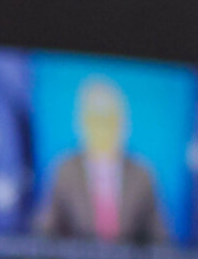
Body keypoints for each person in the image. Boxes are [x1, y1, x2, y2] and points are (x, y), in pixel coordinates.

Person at [31, 76, 172, 246]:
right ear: (82, 124)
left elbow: (162, 243)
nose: (103, 130)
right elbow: (42, 235)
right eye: (96, 121)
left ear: (123, 124)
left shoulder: (143, 174)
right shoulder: (64, 170)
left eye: (109, 120)